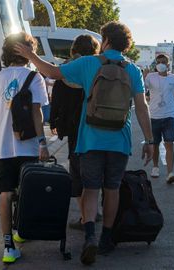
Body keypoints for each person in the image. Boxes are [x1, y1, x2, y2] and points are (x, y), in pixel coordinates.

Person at [15, 21, 154, 265]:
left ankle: (89, 234)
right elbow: (142, 108)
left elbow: (52, 73)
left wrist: (30, 55)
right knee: (111, 189)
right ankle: (107, 239)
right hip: (119, 140)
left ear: (107, 41)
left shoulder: (89, 63)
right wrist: (150, 140)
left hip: (90, 139)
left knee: (90, 188)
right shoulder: (133, 70)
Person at [0, 32, 49, 264]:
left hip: (2, 147)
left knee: (5, 194)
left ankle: (8, 246)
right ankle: (21, 230)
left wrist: (1, 107)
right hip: (28, 145)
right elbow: (37, 113)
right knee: (27, 191)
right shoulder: (34, 77)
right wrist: (43, 143)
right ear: (29, 52)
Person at [48, 34, 101, 231]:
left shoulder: (67, 69)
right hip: (95, 126)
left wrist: (53, 120)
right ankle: (94, 209)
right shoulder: (97, 69)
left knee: (77, 171)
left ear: (73, 50)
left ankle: (85, 216)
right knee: (94, 168)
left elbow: (57, 97)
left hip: (73, 127)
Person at [145, 54, 174, 184]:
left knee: (169, 144)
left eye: (163, 62)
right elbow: (142, 91)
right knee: (155, 144)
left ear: (168, 64)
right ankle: (155, 167)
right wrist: (144, 76)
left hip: (169, 117)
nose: (161, 64)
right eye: (158, 62)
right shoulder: (150, 77)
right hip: (154, 116)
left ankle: (170, 173)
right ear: (156, 64)